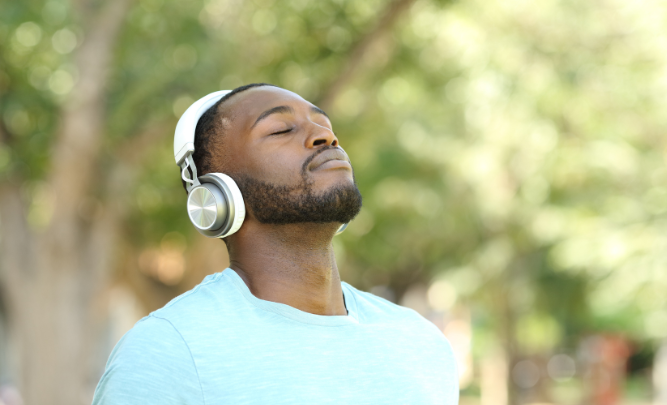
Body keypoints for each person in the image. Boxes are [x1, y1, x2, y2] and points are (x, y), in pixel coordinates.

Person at [92, 84, 458, 404]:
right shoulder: (167, 352)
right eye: (281, 129)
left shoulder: (420, 343)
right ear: (217, 198)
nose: (325, 138)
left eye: (327, 127)